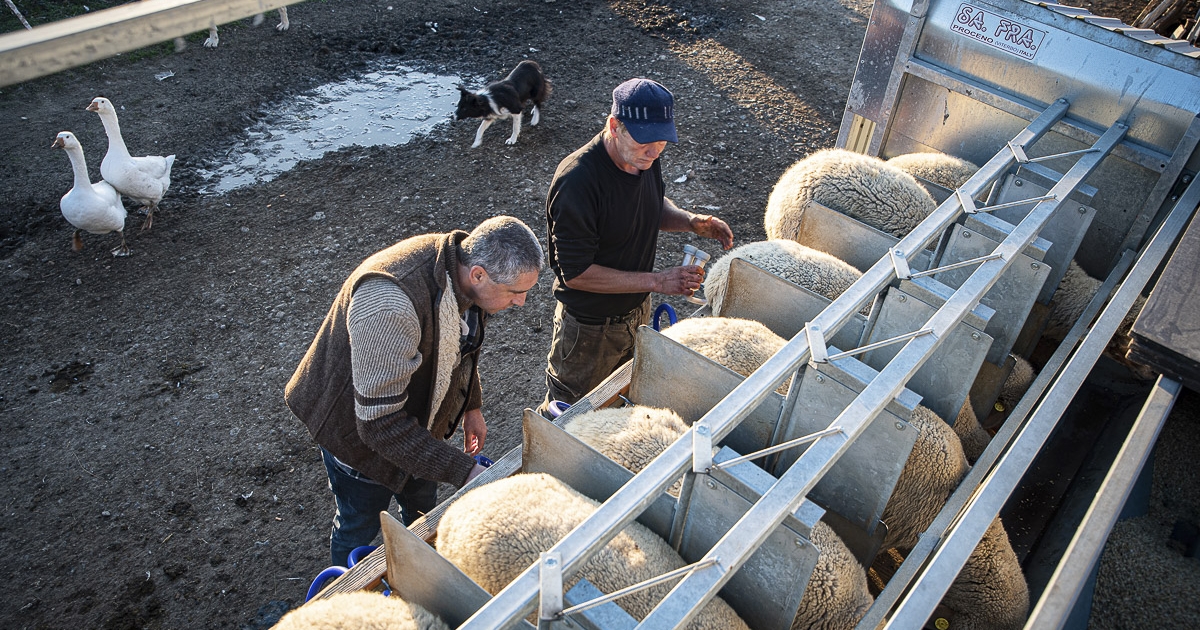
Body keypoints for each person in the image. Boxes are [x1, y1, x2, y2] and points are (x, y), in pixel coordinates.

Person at [285, 216, 543, 567]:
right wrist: (464, 471)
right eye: (515, 292)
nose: (522, 302)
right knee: (359, 521)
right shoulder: (390, 304)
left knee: (422, 505)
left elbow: (458, 346)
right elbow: (379, 425)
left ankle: (419, 557)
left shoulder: (461, 271)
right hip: (357, 435)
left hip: (415, 427)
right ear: (479, 274)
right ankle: (342, 583)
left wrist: (471, 404)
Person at [539, 78, 734, 415]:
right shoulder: (578, 182)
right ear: (615, 126)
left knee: (622, 403)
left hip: (636, 312)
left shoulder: (642, 157)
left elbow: (648, 203)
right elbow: (576, 273)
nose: (655, 151)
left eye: (662, 142)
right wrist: (657, 281)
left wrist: (689, 221)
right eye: (646, 141)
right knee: (568, 416)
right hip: (590, 330)